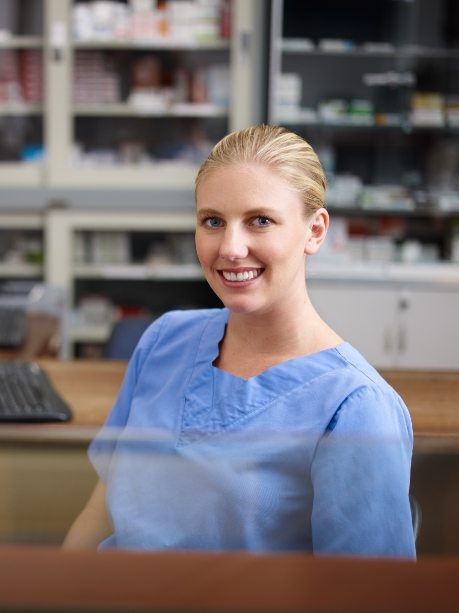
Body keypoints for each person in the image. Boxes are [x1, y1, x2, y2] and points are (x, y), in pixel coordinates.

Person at [63, 124, 416, 557]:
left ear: (315, 231)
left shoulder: (356, 407)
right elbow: (103, 507)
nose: (230, 248)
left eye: (260, 221)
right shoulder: (165, 340)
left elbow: (369, 595)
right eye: (213, 221)